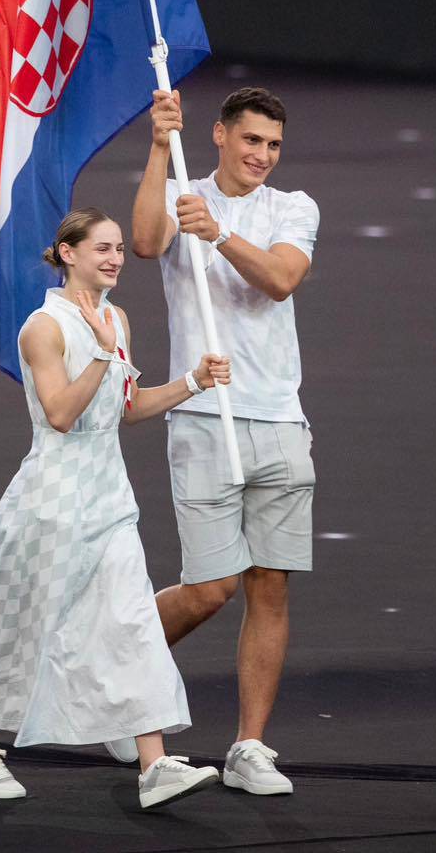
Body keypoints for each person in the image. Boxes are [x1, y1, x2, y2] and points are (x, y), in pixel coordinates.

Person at [0, 208, 230, 810]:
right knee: (18, 622)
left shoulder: (116, 319)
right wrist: (101, 355)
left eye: (121, 249)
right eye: (102, 248)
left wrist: (194, 383)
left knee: (130, 622)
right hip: (50, 501)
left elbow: (125, 409)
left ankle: (154, 766)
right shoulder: (42, 329)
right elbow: (60, 415)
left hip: (109, 499)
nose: (115, 258)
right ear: (67, 253)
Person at [130, 86, 318, 795]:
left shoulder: (294, 207)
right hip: (207, 416)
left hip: (280, 420)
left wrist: (216, 233)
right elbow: (146, 243)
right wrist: (156, 147)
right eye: (251, 141)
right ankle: (113, 668)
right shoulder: (180, 191)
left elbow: (279, 279)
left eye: (272, 144)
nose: (262, 155)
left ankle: (249, 747)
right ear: (218, 135)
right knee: (211, 589)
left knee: (269, 588)